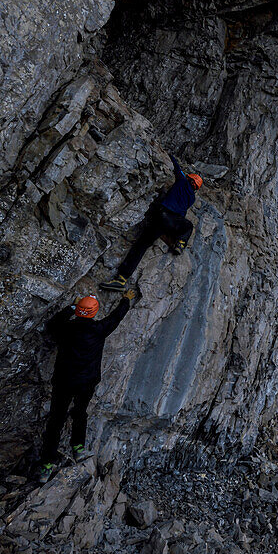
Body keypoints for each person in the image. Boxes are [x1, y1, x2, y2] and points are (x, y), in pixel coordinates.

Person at [39, 289, 139, 477]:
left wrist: (72, 306)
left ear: (78, 311)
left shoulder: (65, 329)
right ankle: (78, 447)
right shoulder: (99, 330)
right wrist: (126, 299)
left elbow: (51, 325)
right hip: (86, 382)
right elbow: (116, 317)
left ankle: (46, 465)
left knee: (55, 421)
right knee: (79, 413)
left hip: (63, 382)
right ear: (94, 312)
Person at [100, 154, 202, 291]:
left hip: (162, 216)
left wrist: (170, 155)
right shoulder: (192, 199)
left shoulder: (182, 181)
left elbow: (176, 167)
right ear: (196, 188)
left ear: (189, 179)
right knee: (188, 226)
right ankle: (180, 243)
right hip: (174, 223)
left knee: (141, 246)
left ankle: (121, 279)